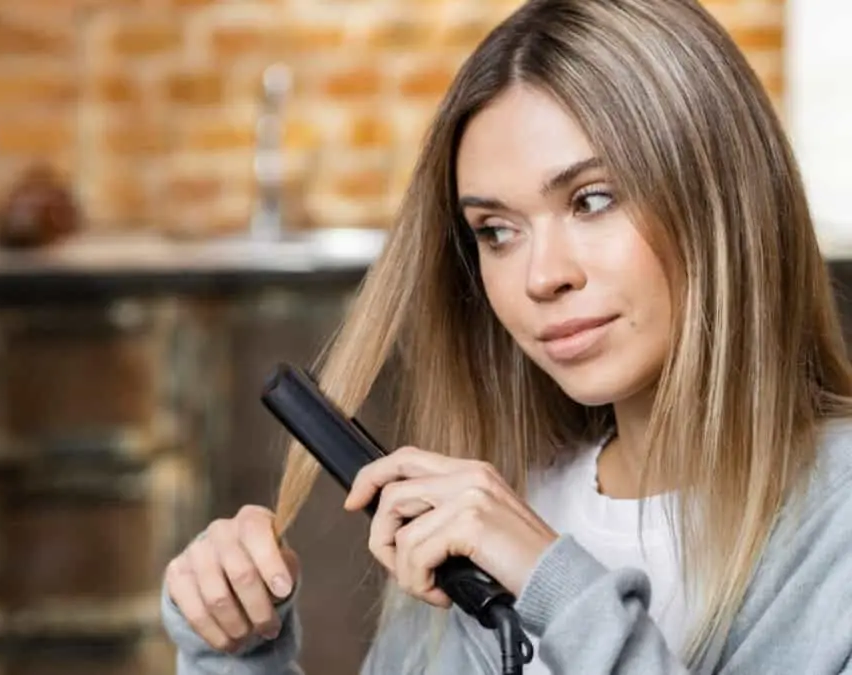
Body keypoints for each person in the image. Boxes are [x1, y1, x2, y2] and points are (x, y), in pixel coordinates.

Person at [160, 0, 852, 673]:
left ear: (722, 197)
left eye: (592, 200)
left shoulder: (834, 528)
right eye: (496, 231)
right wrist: (236, 657)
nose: (541, 276)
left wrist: (556, 585)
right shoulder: (478, 521)